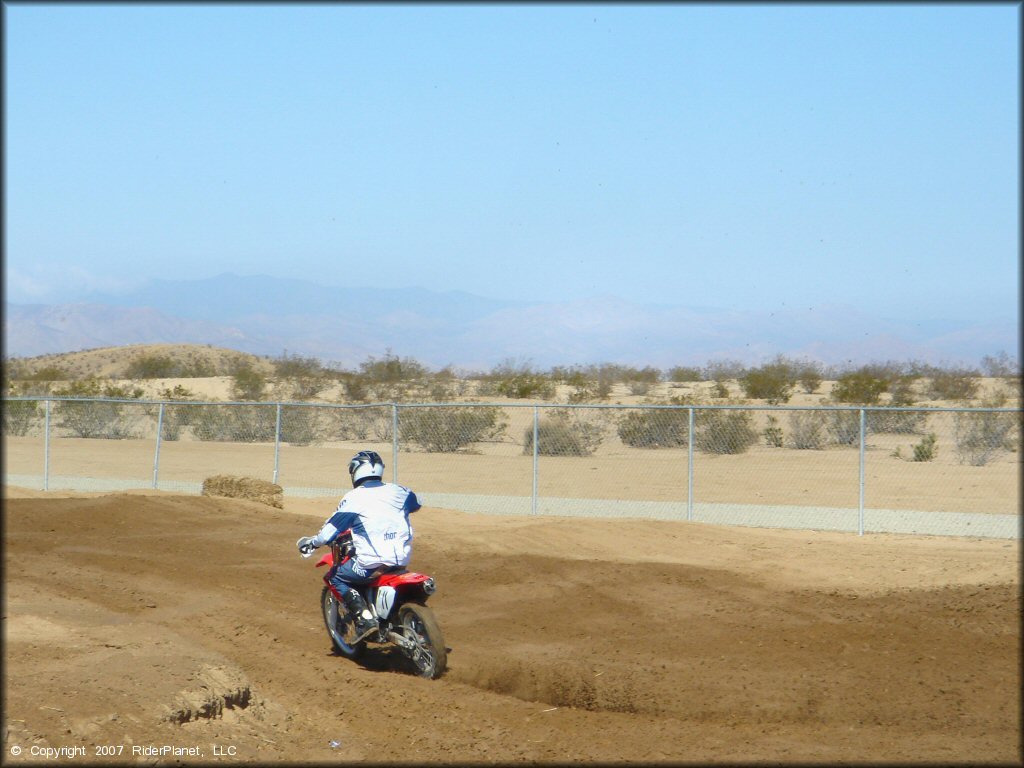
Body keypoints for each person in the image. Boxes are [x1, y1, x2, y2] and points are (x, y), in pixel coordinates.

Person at [296, 450, 421, 643]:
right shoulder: (399, 491)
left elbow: (328, 533)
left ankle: (365, 620)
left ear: (355, 471)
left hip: (370, 563)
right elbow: (416, 503)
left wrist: (312, 543)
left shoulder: (354, 498)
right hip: (401, 558)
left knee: (335, 577)